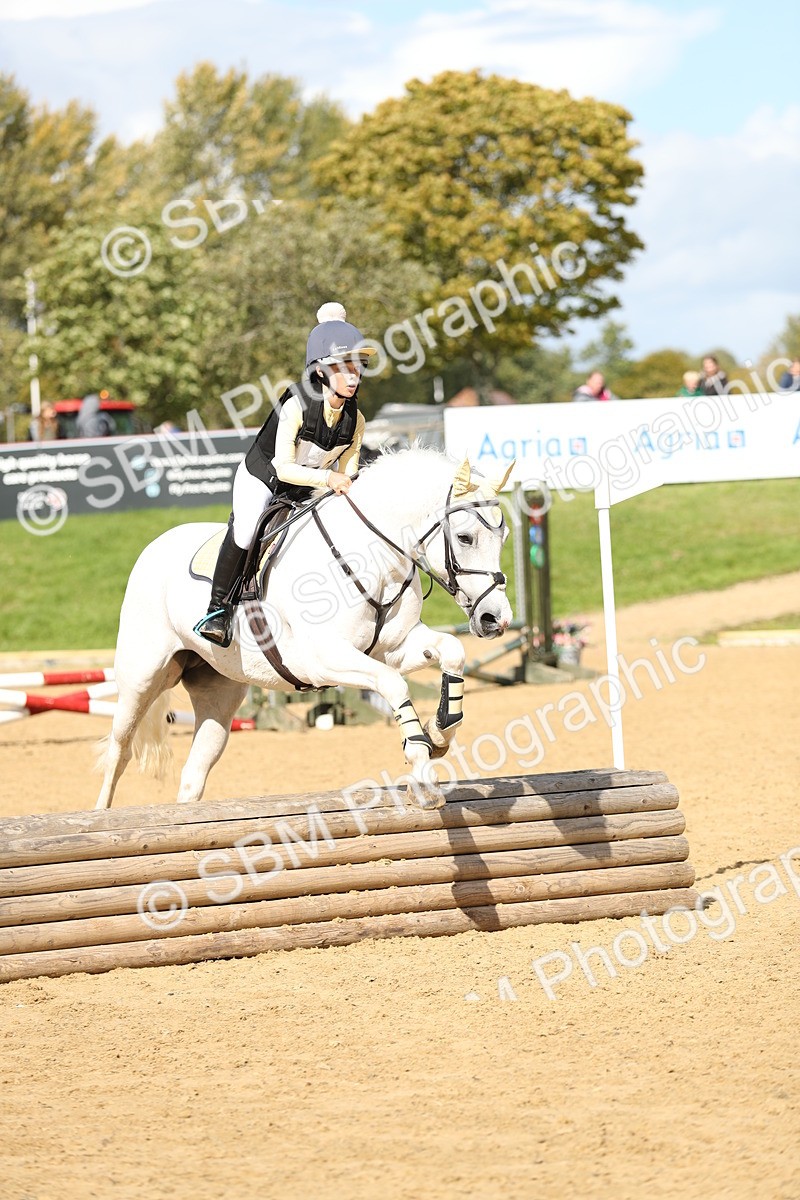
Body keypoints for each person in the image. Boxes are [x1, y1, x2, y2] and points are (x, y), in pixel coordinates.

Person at [194, 302, 375, 647]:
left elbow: (347, 474)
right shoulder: (295, 405)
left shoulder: (357, 420)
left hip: (305, 486)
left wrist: (347, 485)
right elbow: (284, 467)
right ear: (320, 371)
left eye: (358, 366)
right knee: (247, 531)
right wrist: (330, 481)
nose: (353, 376)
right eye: (344, 367)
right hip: (264, 477)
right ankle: (217, 610)